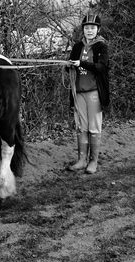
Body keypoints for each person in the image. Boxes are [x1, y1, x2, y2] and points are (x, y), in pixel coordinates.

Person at [67, 14, 110, 174]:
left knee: (94, 127)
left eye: (92, 28)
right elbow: (72, 64)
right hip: (79, 92)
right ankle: (81, 159)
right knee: (81, 127)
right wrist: (69, 65)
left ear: (97, 29)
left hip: (94, 93)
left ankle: (93, 161)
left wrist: (82, 63)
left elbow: (101, 67)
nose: (89, 30)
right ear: (83, 30)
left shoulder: (101, 46)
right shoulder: (77, 46)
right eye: (86, 28)